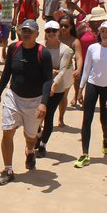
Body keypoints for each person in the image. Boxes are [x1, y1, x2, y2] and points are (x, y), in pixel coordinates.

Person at [0, 19, 53, 185]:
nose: (26, 33)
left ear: (36, 34)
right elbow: (7, 72)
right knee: (7, 131)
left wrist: (43, 103)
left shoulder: (43, 53)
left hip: (34, 101)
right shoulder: (14, 48)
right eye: (24, 30)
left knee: (30, 136)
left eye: (30, 31)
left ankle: (31, 150)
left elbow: (48, 80)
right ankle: (8, 170)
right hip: (14, 96)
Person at [75, 21, 107, 168]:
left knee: (104, 119)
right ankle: (85, 154)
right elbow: (87, 69)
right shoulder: (92, 48)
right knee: (87, 119)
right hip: (92, 85)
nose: (104, 34)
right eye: (102, 31)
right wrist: (80, 89)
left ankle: (105, 137)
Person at [35, 20, 74, 157]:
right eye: (48, 31)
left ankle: (43, 145)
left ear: (58, 32)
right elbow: (35, 66)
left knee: (48, 115)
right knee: (35, 116)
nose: (51, 33)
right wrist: (50, 71)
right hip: (39, 86)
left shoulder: (65, 50)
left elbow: (62, 70)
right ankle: (38, 135)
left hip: (57, 88)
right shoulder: (39, 46)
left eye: (54, 31)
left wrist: (54, 83)